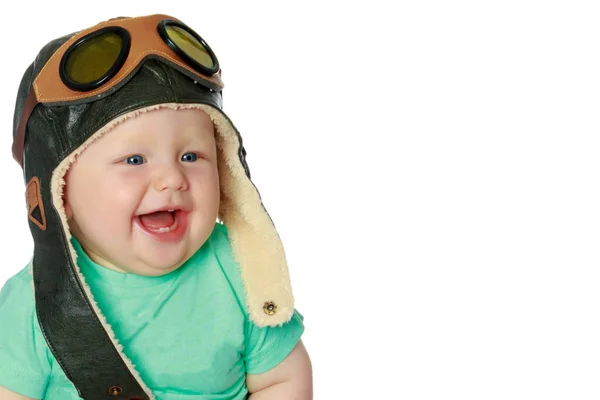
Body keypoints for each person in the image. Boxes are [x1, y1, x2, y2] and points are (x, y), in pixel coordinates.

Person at [0, 13, 312, 400]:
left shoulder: (240, 270)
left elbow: (283, 379)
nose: (172, 179)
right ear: (58, 193)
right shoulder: (33, 304)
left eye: (192, 156)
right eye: (134, 160)